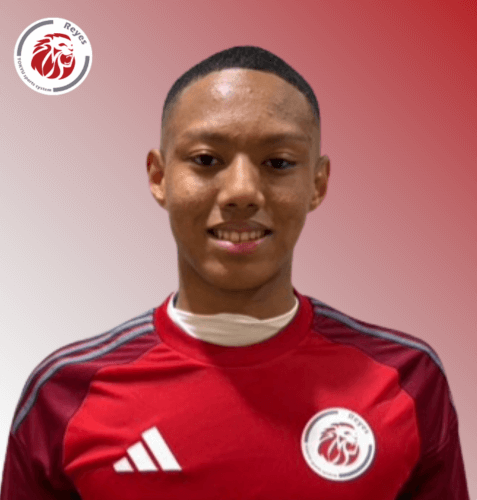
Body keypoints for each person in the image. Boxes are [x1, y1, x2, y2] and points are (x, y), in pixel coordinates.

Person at [0, 45, 469, 499]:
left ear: (317, 183)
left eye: (278, 162)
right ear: (159, 177)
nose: (242, 191)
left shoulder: (406, 379)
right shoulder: (65, 393)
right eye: (206, 160)